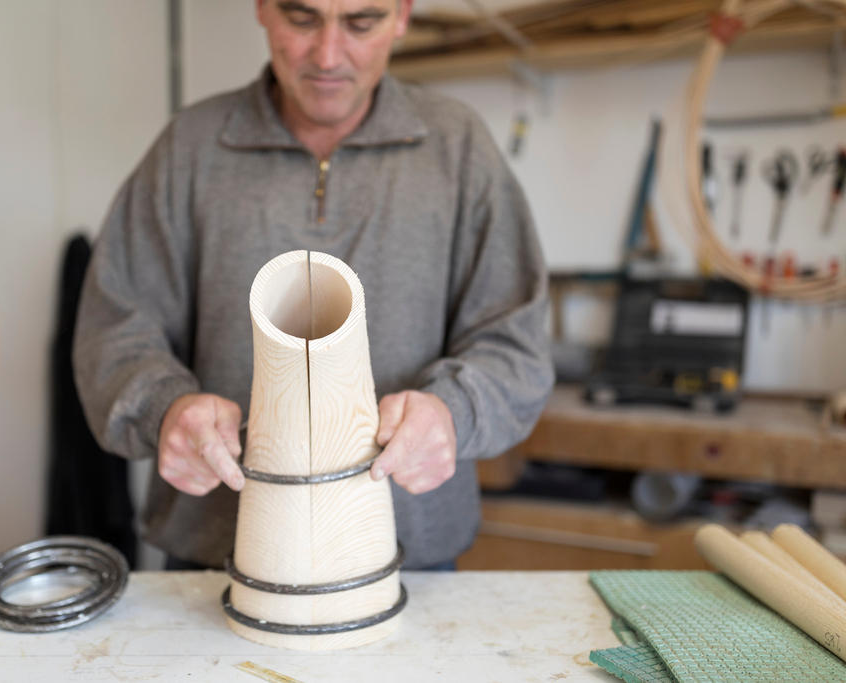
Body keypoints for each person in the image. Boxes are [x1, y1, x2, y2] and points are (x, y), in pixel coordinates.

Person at [73, 0, 554, 571]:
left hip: (410, 554)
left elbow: (515, 344)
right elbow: (115, 329)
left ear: (402, 15)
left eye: (361, 22)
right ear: (262, 10)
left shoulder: (459, 147)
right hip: (214, 551)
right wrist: (164, 408)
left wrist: (454, 411)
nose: (327, 56)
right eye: (302, 18)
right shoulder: (189, 148)